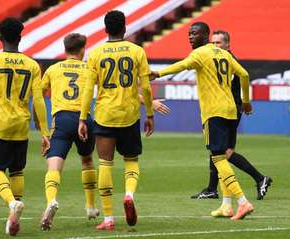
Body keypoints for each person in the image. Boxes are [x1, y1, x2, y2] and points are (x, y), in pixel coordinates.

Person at [151, 22, 254, 220]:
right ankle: (226, 205)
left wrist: (158, 73)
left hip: (213, 111)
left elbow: (182, 65)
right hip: (231, 110)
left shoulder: (200, 53)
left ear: (206, 35)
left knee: (217, 158)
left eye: (195, 33)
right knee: (222, 156)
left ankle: (242, 202)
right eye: (189, 34)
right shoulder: (224, 54)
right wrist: (246, 102)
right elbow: (244, 74)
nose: (190, 37)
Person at [0, 18, 50, 236]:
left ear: (0, 37)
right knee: (17, 170)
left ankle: (11, 203)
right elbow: (39, 100)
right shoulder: (32, 65)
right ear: (20, 37)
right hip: (21, 125)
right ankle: (13, 216)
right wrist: (45, 132)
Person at [78, 10, 154, 230]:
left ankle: (109, 218)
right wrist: (149, 113)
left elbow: (87, 90)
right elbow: (146, 87)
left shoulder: (95, 53)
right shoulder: (137, 51)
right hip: (129, 114)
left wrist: (83, 118)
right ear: (124, 28)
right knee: (131, 161)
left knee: (105, 163)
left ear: (105, 29)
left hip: (104, 114)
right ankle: (129, 195)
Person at [191, 30, 272, 200]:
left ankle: (259, 178)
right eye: (213, 43)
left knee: (223, 151)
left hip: (228, 110)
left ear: (228, 44)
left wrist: (245, 102)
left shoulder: (228, 59)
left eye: (219, 43)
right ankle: (212, 189)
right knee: (218, 150)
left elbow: (243, 77)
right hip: (230, 108)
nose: (215, 46)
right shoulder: (221, 58)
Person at [39, 33, 100, 231]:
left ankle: (51, 200)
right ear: (83, 49)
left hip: (62, 119)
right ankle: (90, 206)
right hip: (84, 119)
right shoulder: (89, 68)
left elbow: (38, 96)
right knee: (87, 160)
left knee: (54, 167)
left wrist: (40, 126)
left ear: (65, 49)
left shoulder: (53, 69)